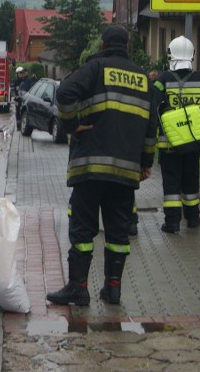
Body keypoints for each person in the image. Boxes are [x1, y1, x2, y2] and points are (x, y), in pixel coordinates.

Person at [46, 25, 157, 306]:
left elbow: (64, 93)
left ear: (103, 44)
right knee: (118, 232)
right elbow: (150, 126)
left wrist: (72, 126)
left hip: (91, 169)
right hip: (125, 173)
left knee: (83, 229)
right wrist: (145, 164)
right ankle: (113, 288)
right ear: (127, 47)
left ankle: (79, 287)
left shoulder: (94, 69)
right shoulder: (144, 80)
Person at [154, 36, 200, 233]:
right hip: (193, 141)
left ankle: (172, 222)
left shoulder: (162, 81)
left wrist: (163, 121)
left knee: (171, 182)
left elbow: (153, 105)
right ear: (191, 55)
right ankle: (193, 219)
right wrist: (198, 117)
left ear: (170, 55)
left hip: (169, 144)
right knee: (191, 179)